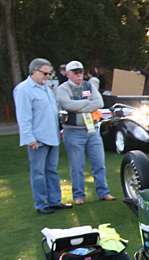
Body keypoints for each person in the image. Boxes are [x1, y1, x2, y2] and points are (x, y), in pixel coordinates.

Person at [14, 58, 72, 214]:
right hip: (38, 138)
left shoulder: (46, 87)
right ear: (34, 71)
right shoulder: (24, 89)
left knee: (52, 170)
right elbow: (23, 116)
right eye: (45, 73)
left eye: (50, 73)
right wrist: (29, 138)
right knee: (38, 172)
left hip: (52, 135)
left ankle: (55, 201)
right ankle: (41, 204)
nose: (48, 76)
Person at [55, 60, 114, 204]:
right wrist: (87, 102)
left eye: (80, 72)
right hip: (73, 132)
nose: (79, 75)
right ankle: (78, 195)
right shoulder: (63, 88)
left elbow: (99, 102)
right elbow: (67, 104)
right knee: (77, 166)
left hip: (92, 130)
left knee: (99, 163)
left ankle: (103, 192)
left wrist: (79, 107)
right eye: (75, 73)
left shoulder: (89, 85)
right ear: (68, 74)